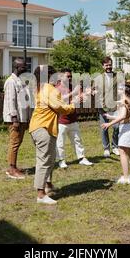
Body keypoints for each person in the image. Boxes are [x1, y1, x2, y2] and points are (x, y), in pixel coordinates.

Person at [29, 65, 85, 205]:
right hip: (43, 128)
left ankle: (47, 186)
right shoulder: (49, 89)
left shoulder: (41, 88)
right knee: (44, 161)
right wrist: (75, 103)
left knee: (49, 158)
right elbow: (61, 108)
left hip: (38, 128)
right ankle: (41, 195)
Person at [101, 80, 130, 184]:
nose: (117, 90)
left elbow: (123, 116)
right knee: (129, 151)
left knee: (122, 151)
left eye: (119, 88)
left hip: (128, 127)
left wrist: (109, 124)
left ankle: (126, 177)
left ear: (124, 90)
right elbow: (125, 115)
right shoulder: (129, 99)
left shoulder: (123, 101)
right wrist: (110, 117)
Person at [55, 69, 93, 168]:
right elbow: (61, 100)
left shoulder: (73, 87)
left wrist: (86, 94)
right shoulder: (57, 88)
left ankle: (81, 158)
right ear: (61, 77)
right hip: (61, 120)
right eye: (68, 76)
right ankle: (61, 160)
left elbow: (81, 98)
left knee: (77, 140)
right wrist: (73, 94)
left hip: (73, 118)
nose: (70, 78)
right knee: (60, 142)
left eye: (70, 76)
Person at [3, 58, 32, 180]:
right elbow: (11, 100)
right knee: (14, 143)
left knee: (17, 142)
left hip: (22, 118)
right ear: (17, 67)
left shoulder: (20, 80)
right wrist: (14, 118)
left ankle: (14, 166)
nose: (26, 68)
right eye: (24, 67)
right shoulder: (11, 81)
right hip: (15, 118)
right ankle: (11, 169)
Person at [94, 57, 120, 157]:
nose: (108, 67)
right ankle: (106, 148)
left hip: (115, 106)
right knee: (104, 128)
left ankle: (115, 147)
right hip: (102, 107)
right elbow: (93, 89)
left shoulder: (118, 76)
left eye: (110, 65)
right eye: (106, 65)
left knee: (116, 127)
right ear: (103, 66)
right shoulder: (98, 78)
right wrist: (93, 92)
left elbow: (122, 88)